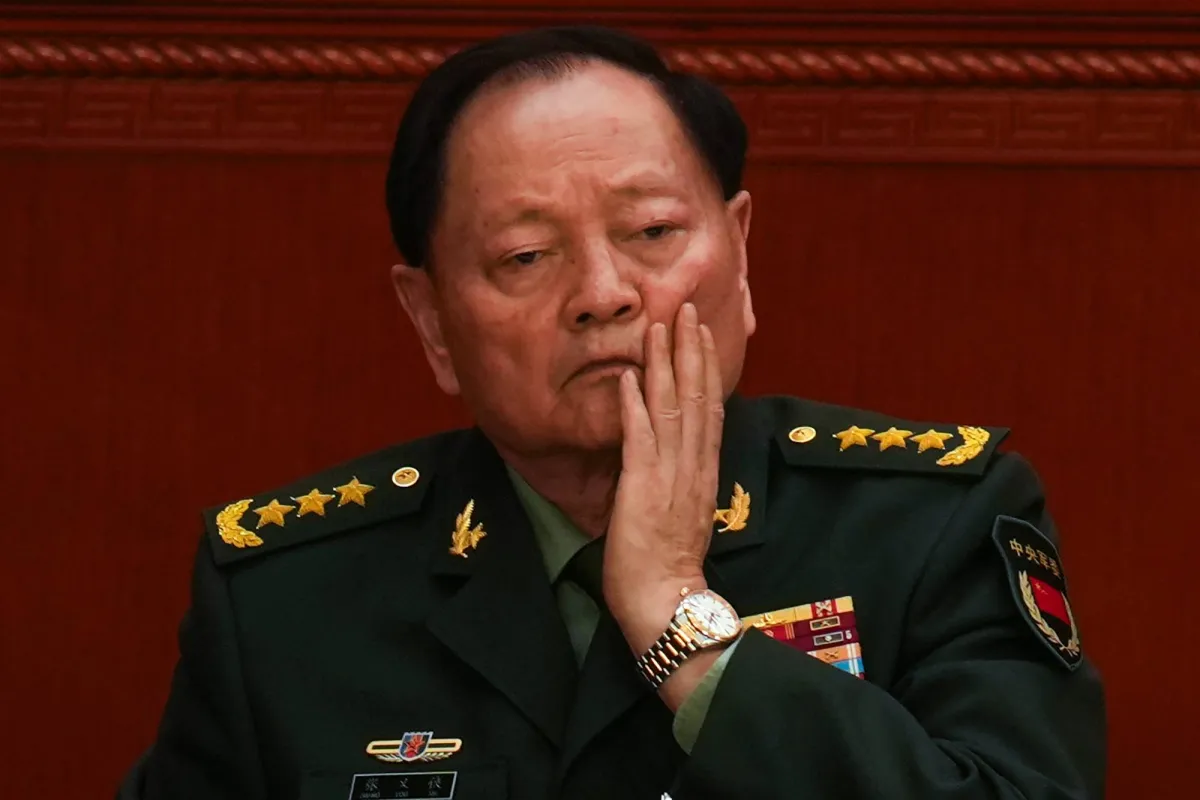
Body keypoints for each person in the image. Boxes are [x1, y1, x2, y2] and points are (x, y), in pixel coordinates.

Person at [120, 25, 1106, 800]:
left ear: (739, 253)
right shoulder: (284, 598)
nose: (602, 293)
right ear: (430, 322)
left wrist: (683, 623)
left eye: (651, 230)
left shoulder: (931, 527)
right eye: (525, 256)